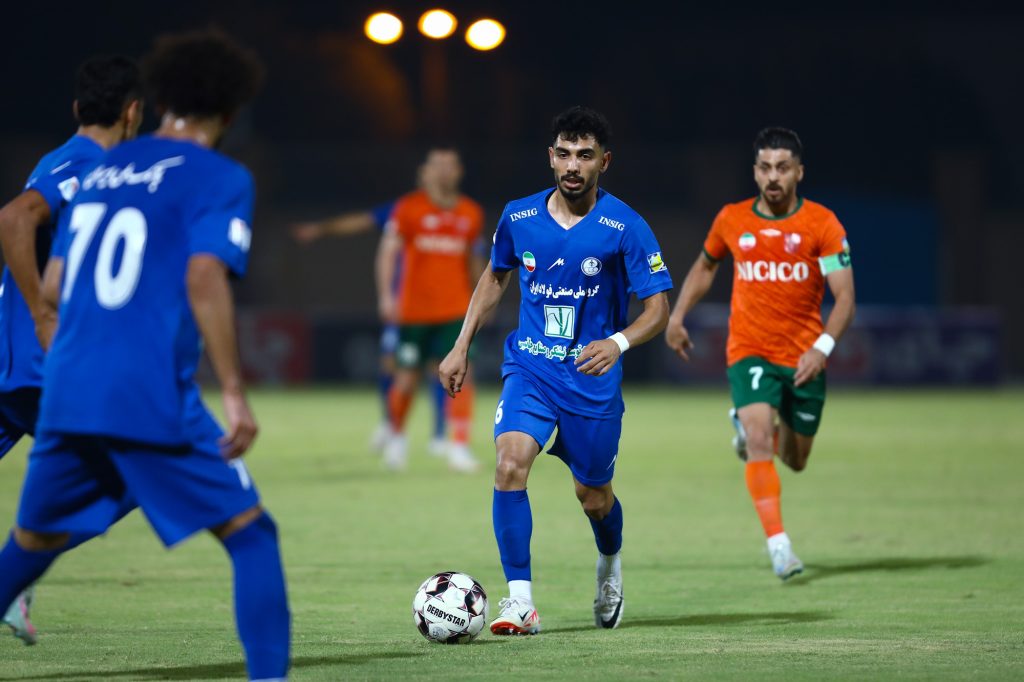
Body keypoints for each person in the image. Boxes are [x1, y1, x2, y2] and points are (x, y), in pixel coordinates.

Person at [0, 30, 291, 680]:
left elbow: (55, 285)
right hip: (148, 390)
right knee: (251, 534)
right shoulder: (220, 175)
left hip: (68, 384)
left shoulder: (102, 169)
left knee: (33, 541)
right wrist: (235, 392)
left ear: (157, 101)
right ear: (231, 111)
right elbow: (204, 275)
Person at [439, 106, 672, 634]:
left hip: (591, 382)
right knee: (509, 464)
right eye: (564, 154)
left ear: (603, 162)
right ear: (550, 157)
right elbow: (494, 277)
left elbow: (658, 309)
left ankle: (609, 563)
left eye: (585, 156)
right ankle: (520, 602)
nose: (572, 165)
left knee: (594, 498)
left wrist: (617, 342)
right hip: (531, 368)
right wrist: (461, 345)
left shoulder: (626, 226)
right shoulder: (518, 216)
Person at [664, 127, 856, 580]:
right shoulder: (732, 219)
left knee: (796, 460)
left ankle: (756, 428)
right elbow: (705, 265)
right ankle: (779, 546)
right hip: (749, 350)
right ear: (754, 172)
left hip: (805, 359)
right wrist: (677, 317)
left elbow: (845, 298)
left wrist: (821, 349)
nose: (773, 176)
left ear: (799, 172)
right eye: (765, 167)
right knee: (759, 440)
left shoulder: (823, 224)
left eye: (782, 168)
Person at [0, 55, 144, 645]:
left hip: (14, 365)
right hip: (43, 370)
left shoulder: (57, 157)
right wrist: (42, 315)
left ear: (78, 107)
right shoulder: (89, 166)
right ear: (133, 112)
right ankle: (17, 573)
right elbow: (14, 217)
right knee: (137, 477)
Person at [290, 192, 450, 458]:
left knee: (440, 366)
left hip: (443, 305)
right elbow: (362, 221)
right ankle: (391, 424)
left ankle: (439, 435)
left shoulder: (457, 213)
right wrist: (321, 229)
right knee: (391, 364)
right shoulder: (405, 209)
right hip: (407, 304)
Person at [377, 147, 486, 473]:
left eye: (450, 165)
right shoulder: (408, 208)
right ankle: (397, 438)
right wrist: (386, 295)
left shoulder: (471, 213)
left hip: (456, 310)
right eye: (437, 165)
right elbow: (388, 252)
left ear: (459, 172)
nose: (443, 171)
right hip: (415, 311)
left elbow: (475, 261)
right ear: (425, 172)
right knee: (406, 378)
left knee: (463, 376)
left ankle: (459, 447)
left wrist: (482, 300)